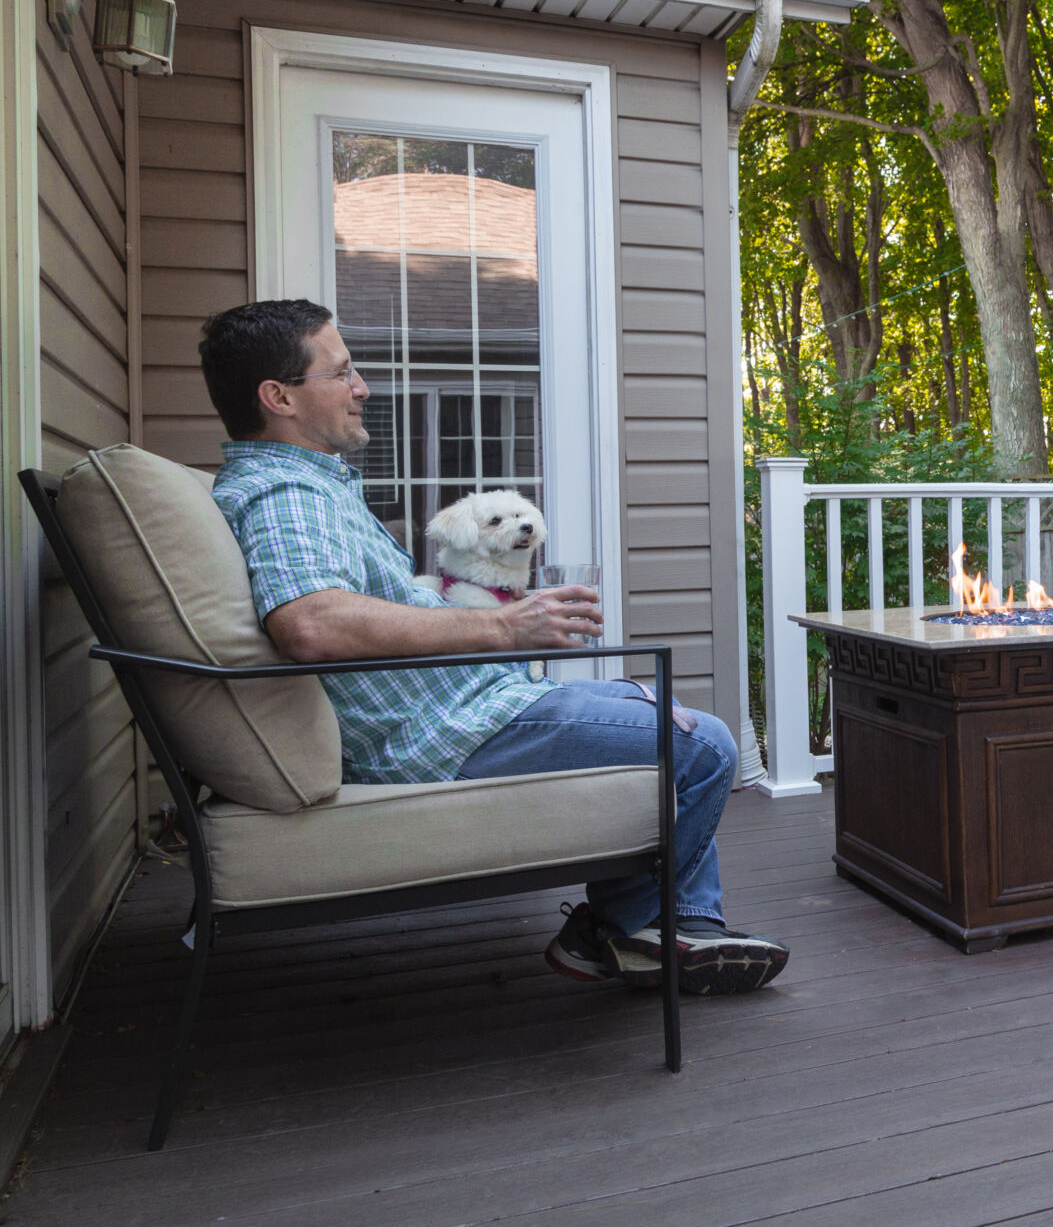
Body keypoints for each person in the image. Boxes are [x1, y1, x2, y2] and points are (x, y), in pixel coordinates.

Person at [197, 298, 788, 994]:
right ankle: (618, 931)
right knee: (706, 744)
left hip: (468, 702)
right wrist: (505, 627)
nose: (362, 387)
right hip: (442, 734)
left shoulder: (305, 486)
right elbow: (311, 623)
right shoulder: (288, 495)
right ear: (279, 397)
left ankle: (677, 927)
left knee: (659, 707)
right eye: (342, 372)